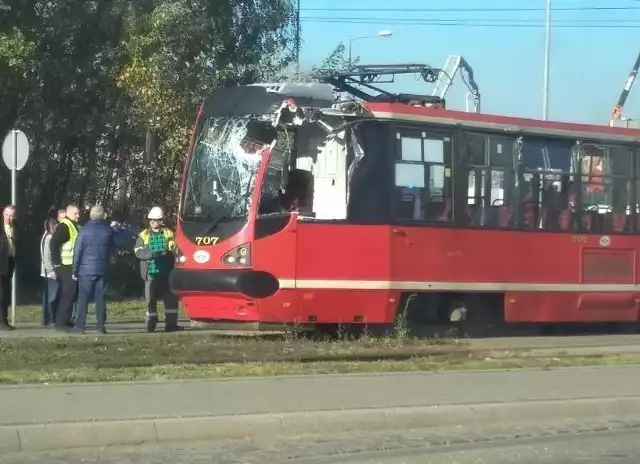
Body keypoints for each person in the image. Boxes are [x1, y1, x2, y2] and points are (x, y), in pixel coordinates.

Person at [134, 206, 181, 332]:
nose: (153, 222)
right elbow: (137, 251)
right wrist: (151, 255)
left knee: (170, 299)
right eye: (151, 220)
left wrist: (169, 253)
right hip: (150, 272)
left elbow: (176, 248)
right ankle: (151, 324)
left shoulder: (169, 233)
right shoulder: (143, 235)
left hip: (167, 271)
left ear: (161, 221)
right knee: (150, 300)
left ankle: (171, 325)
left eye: (156, 220)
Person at [71, 205, 115, 334]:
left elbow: (77, 252)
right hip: (102, 270)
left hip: (85, 271)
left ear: (91, 215)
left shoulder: (83, 231)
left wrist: (75, 270)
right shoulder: (108, 231)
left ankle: (80, 326)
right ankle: (101, 326)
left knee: (83, 299)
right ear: (103, 216)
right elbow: (112, 250)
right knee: (100, 300)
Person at [49, 204, 81, 330]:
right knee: (68, 293)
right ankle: (61, 322)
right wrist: (56, 263)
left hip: (70, 265)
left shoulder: (72, 225)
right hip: (65, 265)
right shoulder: (65, 226)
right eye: (76, 213)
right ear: (69, 213)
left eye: (78, 213)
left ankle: (65, 320)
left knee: (71, 293)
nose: (78, 215)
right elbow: (54, 243)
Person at [40, 217, 59, 326]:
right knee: (52, 296)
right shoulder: (49, 238)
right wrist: (52, 271)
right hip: (49, 272)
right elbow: (47, 256)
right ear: (53, 226)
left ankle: (45, 319)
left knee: (46, 295)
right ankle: (51, 318)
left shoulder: (45, 237)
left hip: (46, 271)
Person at [0, 205, 17, 330]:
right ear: (3, 214)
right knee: (1, 293)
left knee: (6, 292)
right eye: (7, 215)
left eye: (11, 215)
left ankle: (4, 321)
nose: (9, 218)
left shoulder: (16, 227)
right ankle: (2, 322)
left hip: (9, 262)